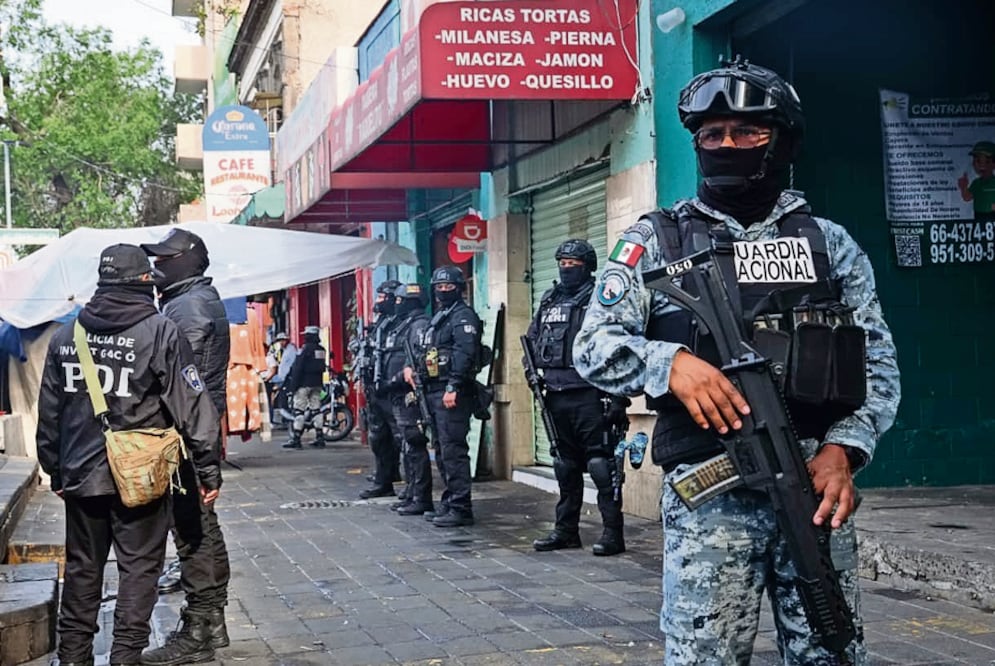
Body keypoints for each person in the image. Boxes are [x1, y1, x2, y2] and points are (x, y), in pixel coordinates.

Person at [573, 57, 900, 664]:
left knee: (833, 650)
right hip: (709, 501)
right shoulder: (654, 240)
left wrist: (844, 450)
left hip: (815, 491)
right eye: (712, 134)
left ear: (782, 141)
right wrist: (667, 361)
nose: (728, 145)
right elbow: (591, 346)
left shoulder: (830, 245)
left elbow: (878, 364)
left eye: (748, 132)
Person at [36, 244, 222, 666]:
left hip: (82, 476)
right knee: (139, 570)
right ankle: (124, 657)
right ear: (144, 284)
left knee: (83, 570)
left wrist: (55, 471)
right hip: (141, 477)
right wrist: (207, 471)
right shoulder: (159, 332)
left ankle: (74, 657)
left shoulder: (67, 335)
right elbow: (193, 406)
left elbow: (50, 411)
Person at [140, 228, 232, 664]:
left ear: (186, 261)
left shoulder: (190, 307)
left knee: (193, 528)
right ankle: (209, 621)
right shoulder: (186, 300)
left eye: (164, 260)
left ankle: (201, 627)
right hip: (196, 426)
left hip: (189, 430)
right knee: (200, 525)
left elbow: (179, 377)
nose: (156, 267)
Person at [525, 240, 630, 557]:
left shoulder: (602, 299)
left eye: (573, 263)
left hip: (592, 394)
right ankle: (566, 530)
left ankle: (613, 533)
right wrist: (531, 374)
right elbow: (532, 341)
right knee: (564, 466)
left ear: (588, 266)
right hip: (555, 394)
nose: (566, 268)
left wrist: (617, 397)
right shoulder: (550, 299)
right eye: (562, 263)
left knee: (601, 466)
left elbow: (619, 346)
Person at [403, 266, 482, 528]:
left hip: (451, 392)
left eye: (449, 287)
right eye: (439, 287)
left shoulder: (462, 316)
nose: (443, 291)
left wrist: (453, 386)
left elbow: (465, 352)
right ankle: (449, 502)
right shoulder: (440, 316)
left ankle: (461, 507)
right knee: (441, 448)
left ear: (459, 288)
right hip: (433, 390)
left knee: (453, 450)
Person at [382, 283, 432, 515]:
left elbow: (417, 361)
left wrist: (397, 379)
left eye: (401, 301)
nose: (396, 304)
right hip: (397, 394)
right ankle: (412, 492)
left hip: (408, 394)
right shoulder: (403, 324)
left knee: (414, 443)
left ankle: (421, 497)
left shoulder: (419, 324)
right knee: (407, 445)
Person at [358, 280, 402, 498]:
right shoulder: (381, 322)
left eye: (384, 297)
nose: (378, 301)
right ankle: (383, 481)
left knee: (402, 437)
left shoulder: (403, 323)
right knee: (378, 437)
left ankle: (413, 487)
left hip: (393, 389)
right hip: (375, 388)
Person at [282, 325, 328, 449]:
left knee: (299, 410)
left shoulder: (304, 349)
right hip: (317, 383)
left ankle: (296, 438)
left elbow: (298, 368)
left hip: (303, 384)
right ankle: (320, 437)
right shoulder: (321, 350)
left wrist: (293, 387)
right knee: (316, 409)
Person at [957, 140, 995, 220]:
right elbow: (967, 197)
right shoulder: (976, 183)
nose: (981, 165)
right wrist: (963, 187)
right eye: (977, 161)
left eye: (986, 161)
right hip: (978, 216)